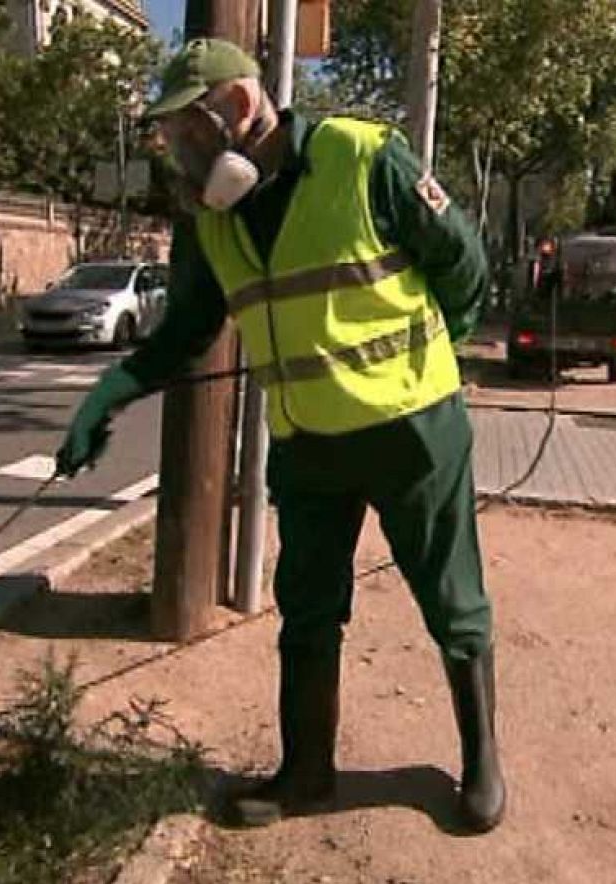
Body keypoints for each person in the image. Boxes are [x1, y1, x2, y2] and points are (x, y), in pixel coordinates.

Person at [54, 38, 505, 833]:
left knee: (450, 599)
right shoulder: (215, 219)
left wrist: (439, 349)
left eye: (182, 133)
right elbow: (187, 329)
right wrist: (109, 394)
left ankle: (481, 768)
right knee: (306, 610)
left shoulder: (365, 159)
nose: (175, 154)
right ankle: (305, 775)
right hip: (307, 448)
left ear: (234, 108)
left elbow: (463, 265)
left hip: (413, 435)